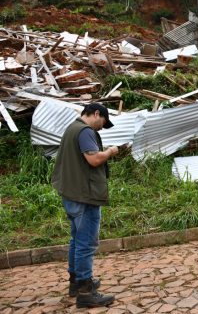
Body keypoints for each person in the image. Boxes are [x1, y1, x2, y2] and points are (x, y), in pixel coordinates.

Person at [52, 103, 119, 308]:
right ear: (96, 114)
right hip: (84, 195)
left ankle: (76, 282)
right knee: (86, 243)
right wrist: (110, 152)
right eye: (103, 123)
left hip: (71, 193)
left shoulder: (72, 128)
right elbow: (93, 159)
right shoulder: (85, 131)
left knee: (76, 240)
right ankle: (85, 291)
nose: (101, 128)